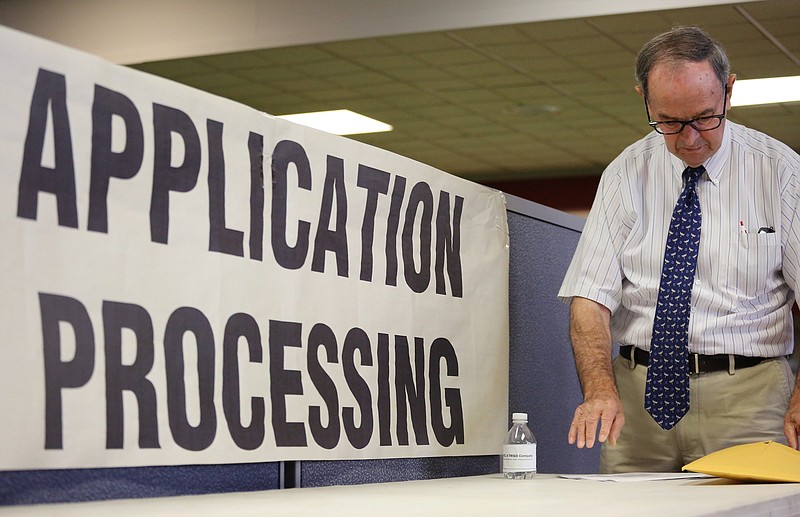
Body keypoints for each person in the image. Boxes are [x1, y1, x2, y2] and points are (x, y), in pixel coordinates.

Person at [557, 25, 800, 473]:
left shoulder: (781, 173)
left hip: (748, 399)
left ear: (729, 92)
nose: (689, 138)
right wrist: (600, 391)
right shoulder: (625, 173)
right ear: (643, 100)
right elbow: (589, 300)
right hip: (638, 399)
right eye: (669, 122)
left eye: (705, 117)